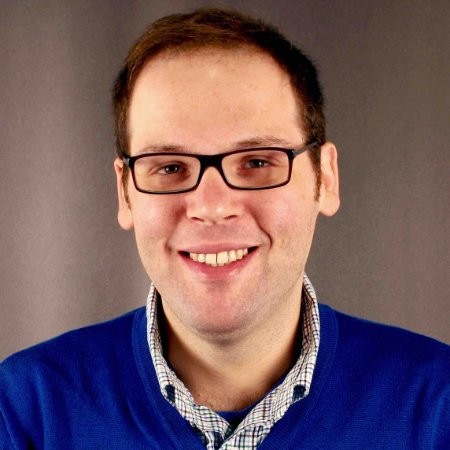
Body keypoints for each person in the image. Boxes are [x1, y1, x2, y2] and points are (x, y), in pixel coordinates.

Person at [1, 7, 449, 449]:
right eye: (170, 167)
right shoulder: (24, 412)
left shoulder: (437, 406)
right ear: (125, 193)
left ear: (325, 178)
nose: (212, 207)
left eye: (256, 162)